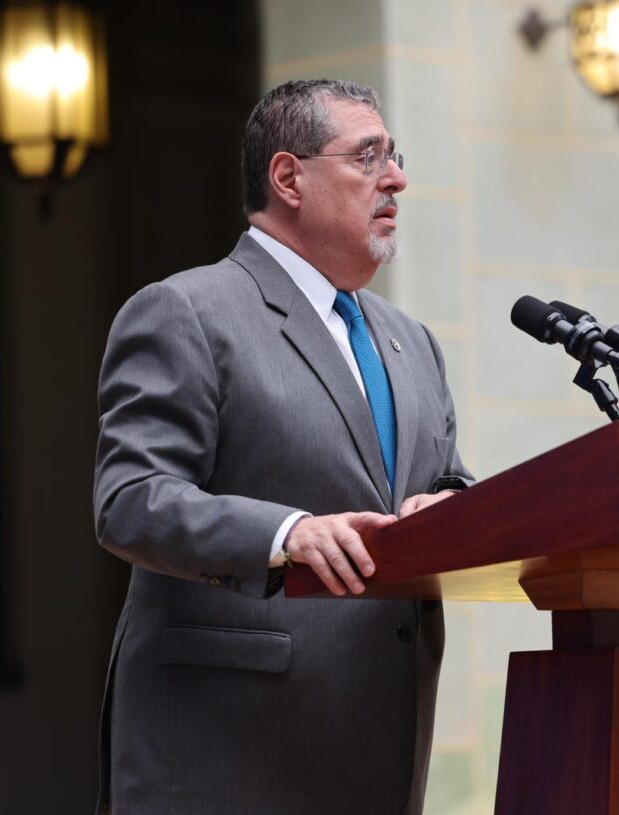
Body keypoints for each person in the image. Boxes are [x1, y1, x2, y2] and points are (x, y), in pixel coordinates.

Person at [92, 79, 473, 814]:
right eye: (367, 157)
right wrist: (286, 534)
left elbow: (447, 478)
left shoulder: (412, 342)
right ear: (289, 178)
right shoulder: (188, 311)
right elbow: (130, 499)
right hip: (230, 761)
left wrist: (451, 509)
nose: (396, 179)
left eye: (395, 157)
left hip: (380, 756)